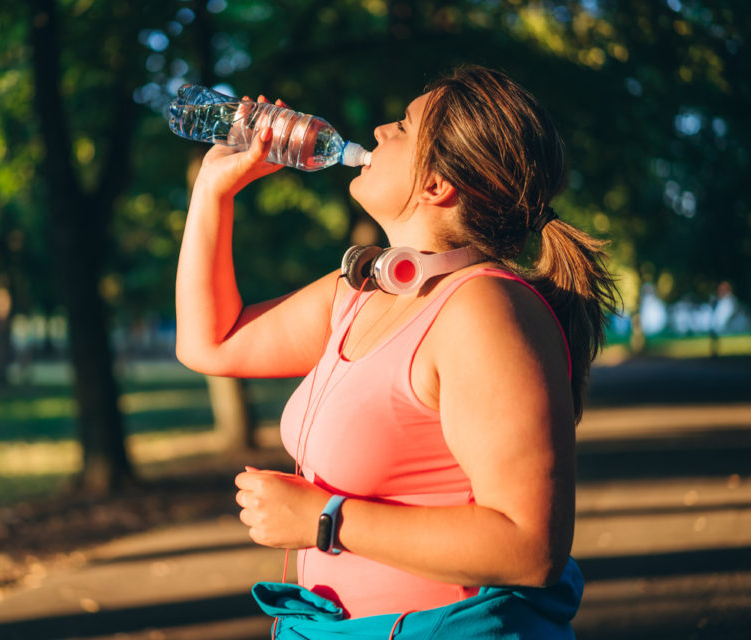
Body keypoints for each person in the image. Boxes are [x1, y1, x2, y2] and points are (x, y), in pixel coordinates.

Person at [175, 66, 618, 636]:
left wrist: (323, 519)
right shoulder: (359, 294)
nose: (380, 131)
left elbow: (530, 549)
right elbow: (210, 343)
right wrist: (214, 190)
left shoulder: (485, 312)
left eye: (404, 127)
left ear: (438, 185)